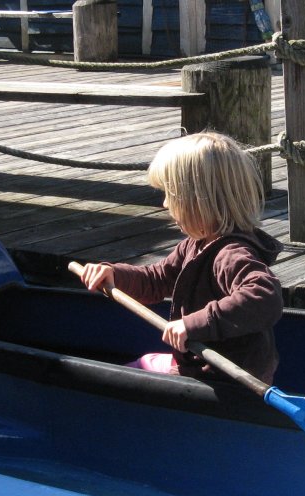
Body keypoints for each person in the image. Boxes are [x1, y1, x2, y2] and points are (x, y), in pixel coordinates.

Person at [78, 132, 284, 385]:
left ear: (199, 200)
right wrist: (115, 274)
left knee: (120, 382)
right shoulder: (195, 245)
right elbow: (157, 279)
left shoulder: (230, 254)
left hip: (226, 380)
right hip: (194, 363)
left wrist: (192, 324)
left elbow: (265, 297)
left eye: (171, 194)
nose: (165, 203)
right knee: (137, 366)